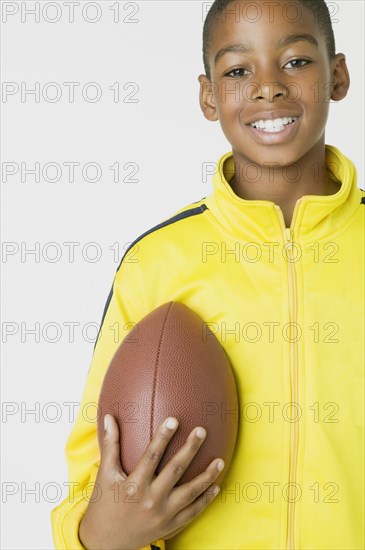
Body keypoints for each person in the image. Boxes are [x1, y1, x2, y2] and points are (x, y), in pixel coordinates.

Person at [51, 0, 365, 548]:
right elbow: (90, 480)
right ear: (207, 95)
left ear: (337, 74)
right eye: (238, 71)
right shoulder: (158, 261)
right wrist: (105, 533)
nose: (268, 87)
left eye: (295, 61)